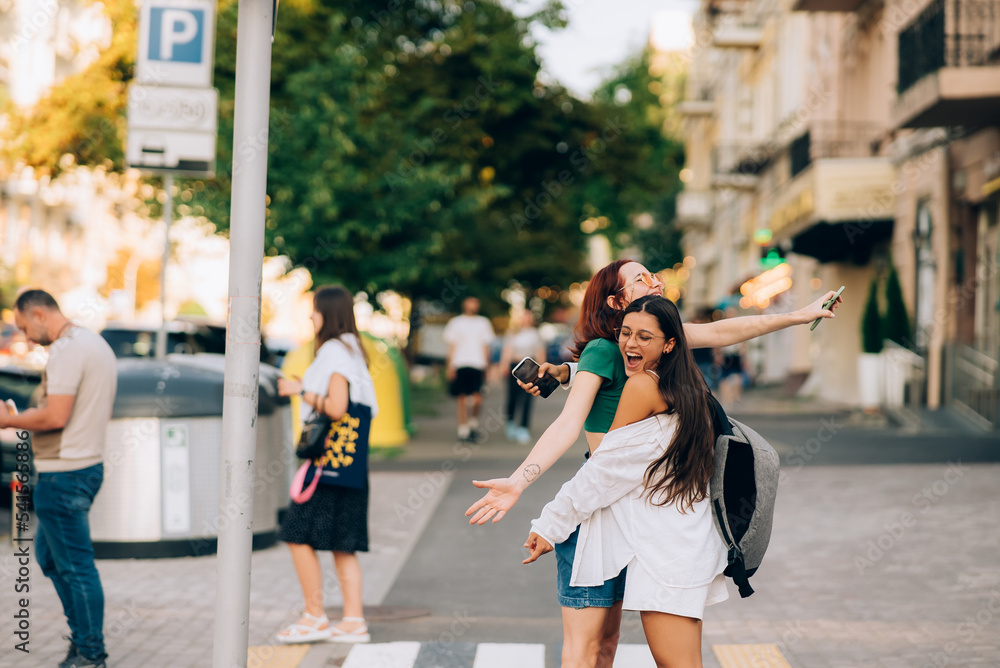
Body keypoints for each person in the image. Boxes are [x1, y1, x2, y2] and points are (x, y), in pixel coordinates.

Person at [465, 259, 842, 668]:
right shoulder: (613, 351)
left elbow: (724, 331)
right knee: (590, 650)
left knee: (604, 646)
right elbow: (569, 424)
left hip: (635, 511)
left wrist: (801, 315)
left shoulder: (655, 351)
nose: (656, 281)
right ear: (616, 301)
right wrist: (520, 481)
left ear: (667, 343)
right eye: (642, 279)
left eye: (653, 275)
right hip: (602, 506)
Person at [524, 295, 726, 668]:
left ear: (669, 344)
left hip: (667, 554)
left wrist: (550, 525)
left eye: (644, 337)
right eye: (625, 333)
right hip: (684, 543)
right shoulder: (689, 385)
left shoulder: (644, 386)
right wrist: (571, 372)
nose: (630, 344)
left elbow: (605, 471)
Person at [0, 289, 118, 668]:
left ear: (38, 313)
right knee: (50, 556)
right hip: (82, 467)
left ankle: (90, 654)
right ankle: (83, 641)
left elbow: (55, 417)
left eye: (24, 327)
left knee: (75, 566)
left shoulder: (68, 350)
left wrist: (9, 419)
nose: (27, 338)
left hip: (65, 473)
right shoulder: (92, 342)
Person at [275, 285, 379, 644]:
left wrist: (298, 391)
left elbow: (336, 406)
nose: (310, 317)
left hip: (329, 465)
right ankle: (353, 621)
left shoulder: (335, 350)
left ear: (328, 314)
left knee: (294, 534)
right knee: (342, 543)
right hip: (350, 466)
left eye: (314, 310)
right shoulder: (353, 350)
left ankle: (314, 614)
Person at [443, 296, 496, 442]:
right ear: (464, 304)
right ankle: (463, 429)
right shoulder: (455, 322)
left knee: (477, 398)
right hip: (460, 363)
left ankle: (473, 424)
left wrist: (487, 366)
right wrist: (449, 366)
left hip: (478, 364)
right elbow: (452, 346)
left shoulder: (483, 322)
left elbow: (486, 346)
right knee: (461, 398)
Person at [499, 310, 546, 444]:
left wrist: (542, 370)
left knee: (527, 397)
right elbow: (507, 350)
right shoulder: (512, 332)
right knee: (512, 396)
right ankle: (510, 422)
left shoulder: (535, 334)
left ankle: (524, 427)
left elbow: (540, 352)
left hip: (530, 367)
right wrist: (504, 365)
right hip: (514, 366)